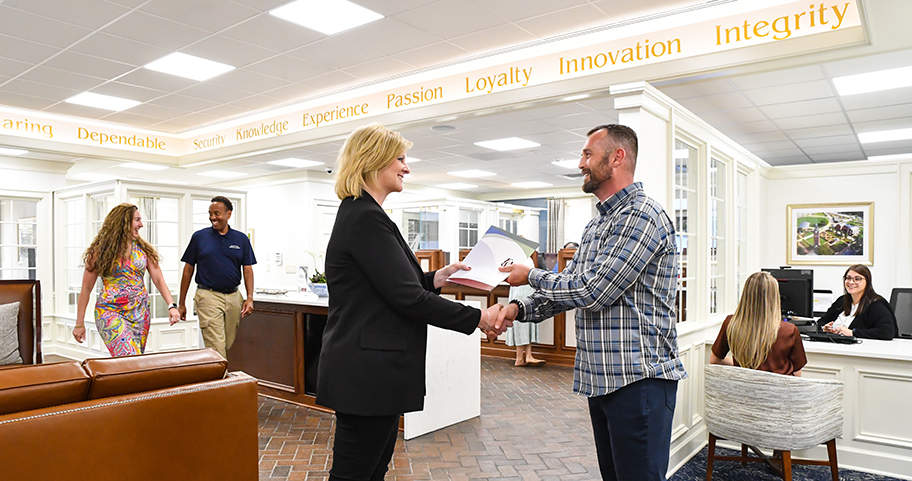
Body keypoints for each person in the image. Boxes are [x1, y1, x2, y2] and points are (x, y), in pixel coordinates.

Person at [495, 124, 686, 481]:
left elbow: (594, 291)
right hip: (602, 378)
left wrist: (532, 274)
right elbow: (570, 287)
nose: (580, 162)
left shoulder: (642, 216)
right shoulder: (597, 224)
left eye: (587, 154)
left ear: (617, 157)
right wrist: (517, 309)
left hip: (639, 380)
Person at [316, 123, 506, 481]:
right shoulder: (364, 217)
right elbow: (407, 298)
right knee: (354, 473)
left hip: (373, 370)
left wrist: (436, 278)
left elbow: (394, 286)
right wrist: (478, 317)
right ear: (374, 160)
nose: (407, 167)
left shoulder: (367, 214)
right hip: (367, 372)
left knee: (372, 469)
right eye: (400, 159)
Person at [72, 203, 180, 356]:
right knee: (129, 357)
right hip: (110, 311)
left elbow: (158, 280)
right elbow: (86, 288)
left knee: (134, 360)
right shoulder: (99, 251)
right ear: (123, 222)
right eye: (137, 220)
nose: (141, 225)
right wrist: (79, 323)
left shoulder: (144, 249)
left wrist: (171, 305)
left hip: (140, 313)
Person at [178, 196, 256, 359]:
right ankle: (221, 381)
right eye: (210, 213)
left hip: (234, 297)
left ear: (229, 214)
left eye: (217, 213)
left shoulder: (240, 239)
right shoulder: (200, 237)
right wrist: (181, 303)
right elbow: (188, 270)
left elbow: (247, 269)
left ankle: (212, 375)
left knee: (226, 343)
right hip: (208, 296)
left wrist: (249, 297)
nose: (213, 217)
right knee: (217, 345)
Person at [710, 271, 807, 376]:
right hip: (778, 391)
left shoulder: (731, 323)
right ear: (774, 297)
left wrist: (742, 366)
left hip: (745, 390)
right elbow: (797, 374)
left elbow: (715, 360)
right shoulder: (789, 330)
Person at [816, 264, 897, 340]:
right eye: (848, 278)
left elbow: (886, 332)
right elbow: (821, 322)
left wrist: (852, 332)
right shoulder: (842, 301)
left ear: (867, 281)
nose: (851, 282)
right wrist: (824, 328)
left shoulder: (876, 304)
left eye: (857, 279)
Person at [504, 284, 545, 366]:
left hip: (517, 290)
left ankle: (526, 356)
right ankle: (521, 358)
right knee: (525, 319)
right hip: (525, 289)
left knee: (522, 321)